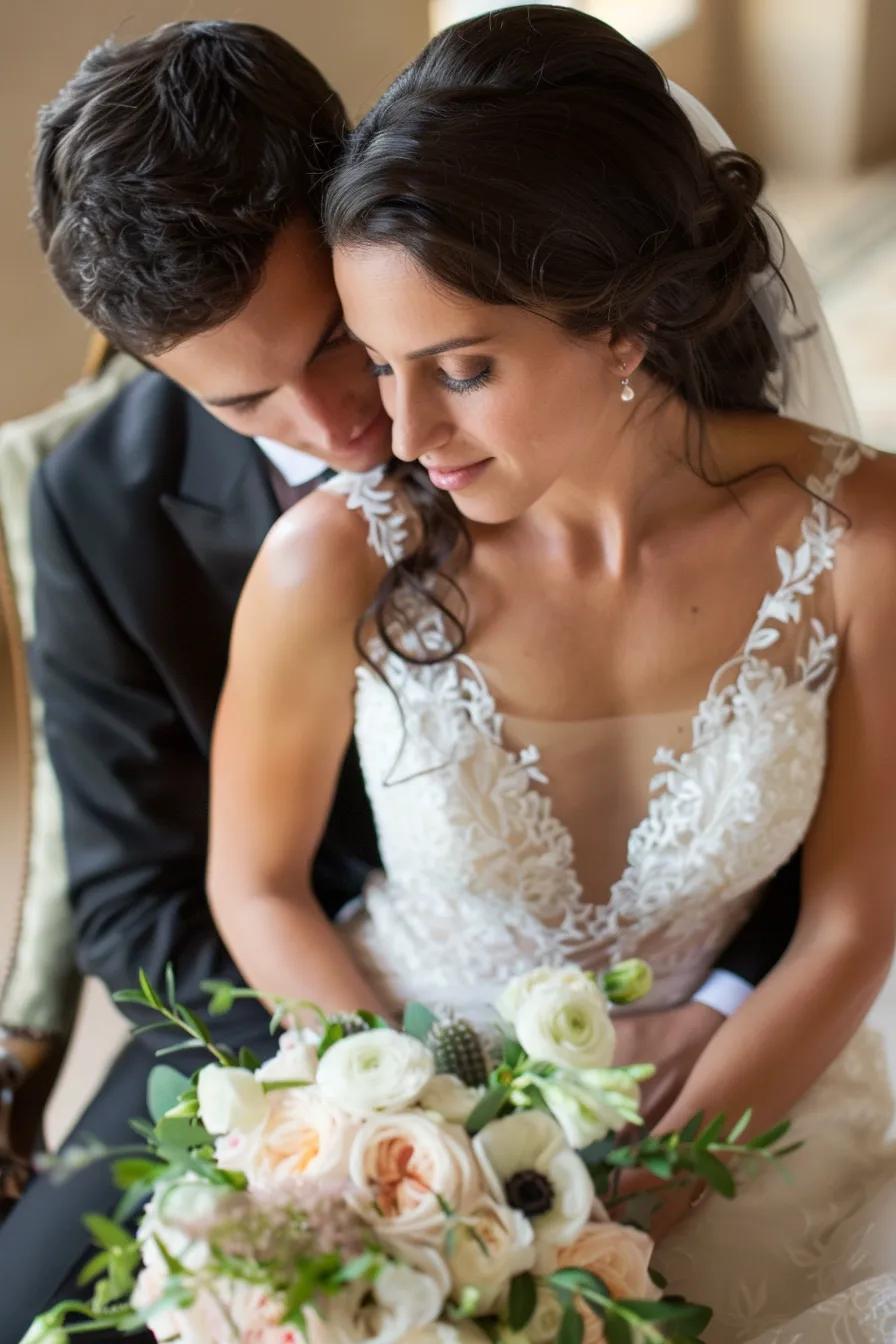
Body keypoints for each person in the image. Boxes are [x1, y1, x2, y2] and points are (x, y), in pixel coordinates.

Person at [207, 8, 896, 1341]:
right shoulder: (334, 562)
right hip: (405, 1131)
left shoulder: (862, 540)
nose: (400, 433)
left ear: (629, 323)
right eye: (384, 366)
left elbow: (857, 921)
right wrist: (433, 1149)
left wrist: (665, 1183)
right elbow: (255, 879)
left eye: (461, 369)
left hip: (756, 1111)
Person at [1, 22, 392, 1342]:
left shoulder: (546, 358)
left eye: (337, 335)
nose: (339, 427)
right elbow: (128, 901)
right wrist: (365, 1080)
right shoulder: (91, 502)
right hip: (260, 1023)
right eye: (245, 401)